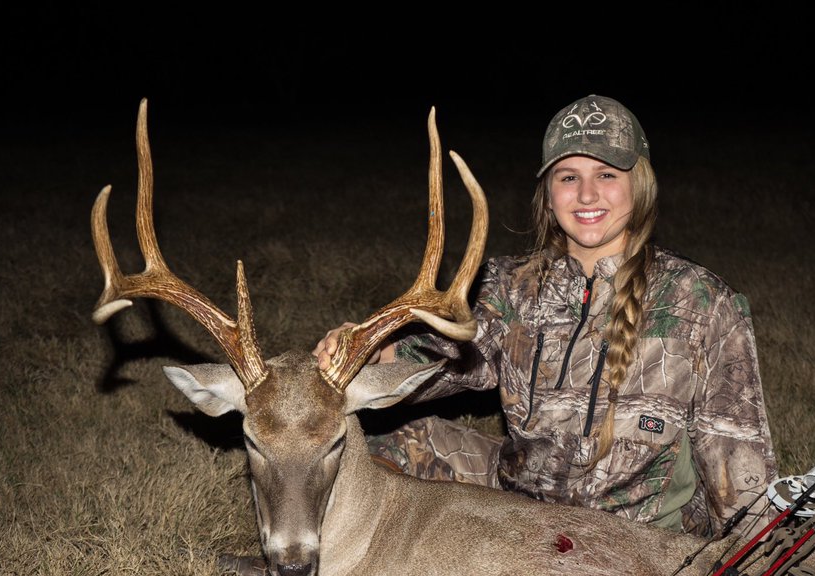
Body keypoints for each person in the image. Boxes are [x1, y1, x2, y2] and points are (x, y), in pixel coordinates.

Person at [316, 95, 776, 537]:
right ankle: (344, 569)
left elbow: (738, 467)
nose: (587, 194)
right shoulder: (511, 285)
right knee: (384, 446)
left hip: (634, 543)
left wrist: (753, 568)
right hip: (522, 511)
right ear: (549, 192)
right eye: (568, 176)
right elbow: (450, 359)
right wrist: (375, 350)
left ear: (640, 184)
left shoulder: (701, 302)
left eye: (607, 174)